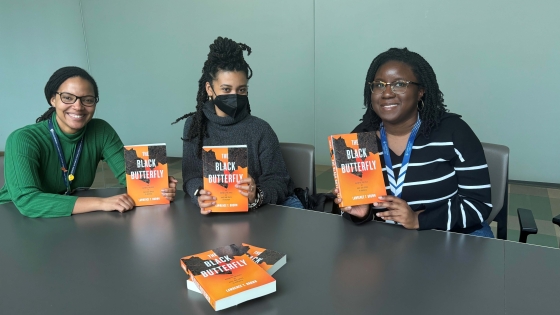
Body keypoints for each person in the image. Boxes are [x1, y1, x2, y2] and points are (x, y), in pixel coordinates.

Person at [335, 48, 493, 237]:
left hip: (452, 236)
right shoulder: (359, 139)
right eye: (379, 85)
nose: (386, 93)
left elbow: (479, 205)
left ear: (420, 92)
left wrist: (419, 219)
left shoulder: (454, 132)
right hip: (386, 240)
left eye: (399, 84)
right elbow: (353, 212)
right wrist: (362, 213)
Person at [0, 66, 177, 217]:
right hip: (15, 216)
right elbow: (27, 200)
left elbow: (129, 176)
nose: (78, 106)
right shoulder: (23, 139)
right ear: (52, 99)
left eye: (87, 100)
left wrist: (157, 185)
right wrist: (101, 203)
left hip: (67, 217)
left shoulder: (100, 130)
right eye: (68, 97)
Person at [173, 37, 303, 214]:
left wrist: (256, 194)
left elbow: (279, 181)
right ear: (209, 89)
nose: (234, 96)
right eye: (226, 89)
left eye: (241, 90)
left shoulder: (261, 130)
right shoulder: (195, 126)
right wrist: (199, 195)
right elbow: (191, 177)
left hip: (262, 215)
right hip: (214, 214)